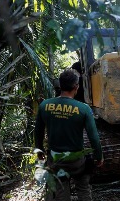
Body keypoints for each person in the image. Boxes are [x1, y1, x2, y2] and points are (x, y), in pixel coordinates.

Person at [34, 68, 103, 201]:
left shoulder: (44, 105)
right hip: (77, 161)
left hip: (56, 160)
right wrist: (99, 156)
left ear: (60, 85)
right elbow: (94, 138)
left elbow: (38, 132)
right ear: (76, 87)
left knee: (60, 191)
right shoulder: (84, 109)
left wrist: (39, 151)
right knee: (83, 188)